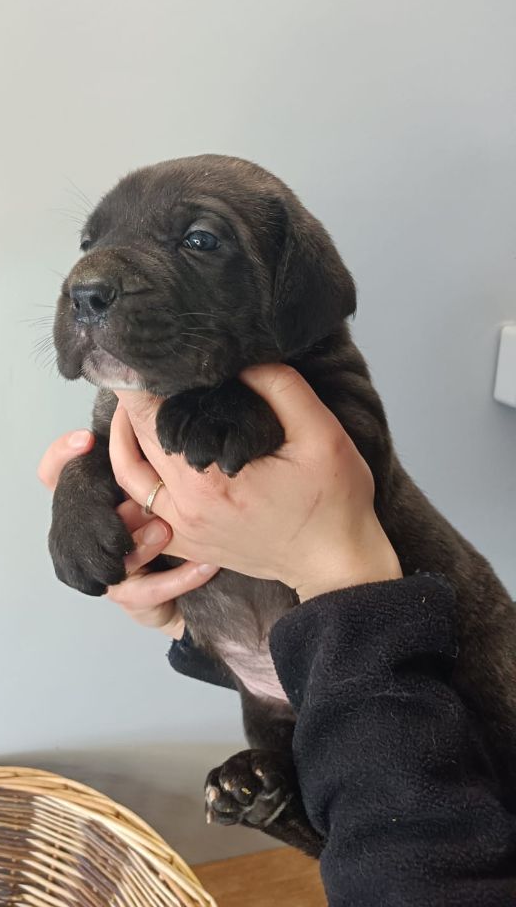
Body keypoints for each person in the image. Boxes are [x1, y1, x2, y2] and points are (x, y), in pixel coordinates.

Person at [38, 365, 516, 905]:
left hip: (438, 661)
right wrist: (191, 624)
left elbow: (409, 867)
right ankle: (293, 805)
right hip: (331, 675)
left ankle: (295, 810)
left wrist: (336, 576)